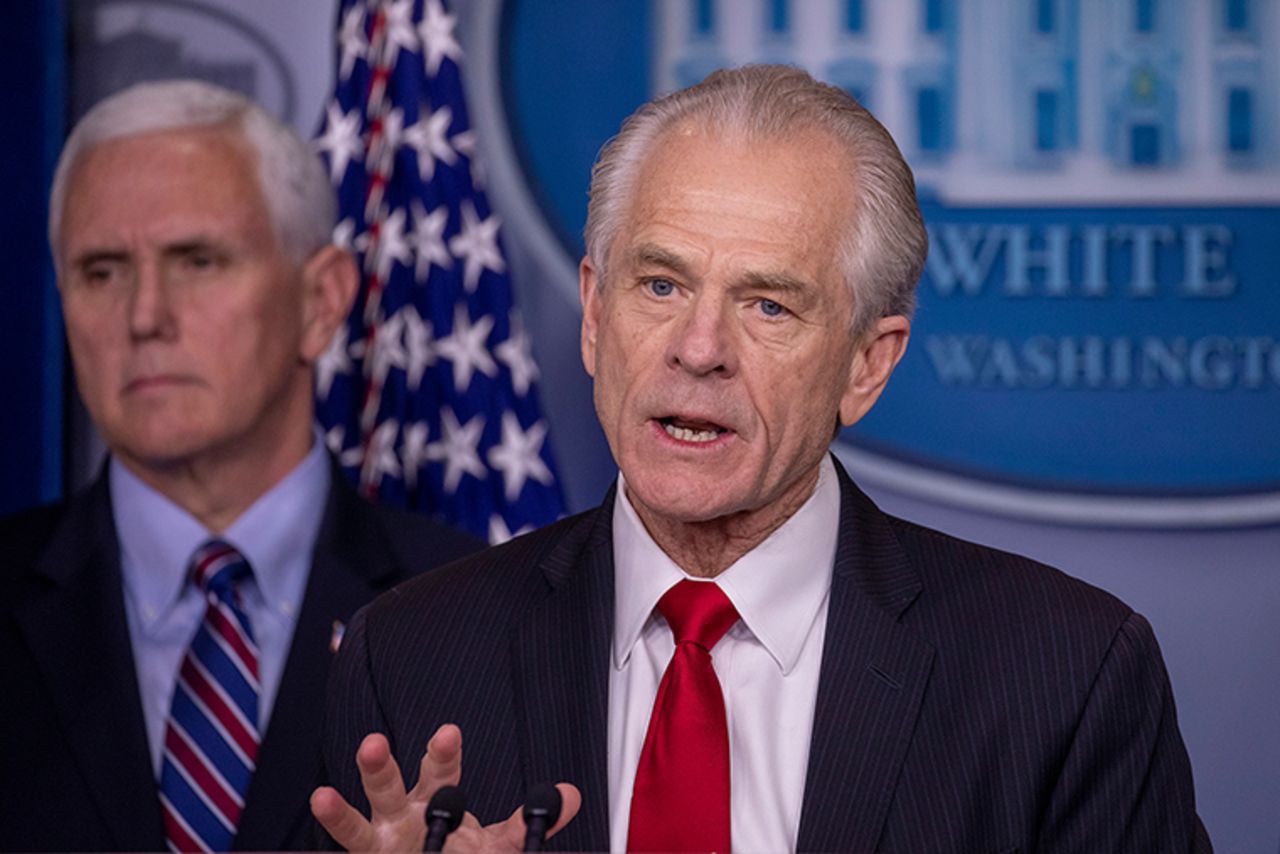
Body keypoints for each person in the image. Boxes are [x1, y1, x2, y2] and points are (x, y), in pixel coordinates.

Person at [312, 65, 1211, 853]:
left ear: (868, 364)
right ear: (593, 315)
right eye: (660, 285)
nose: (698, 348)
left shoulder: (1065, 674)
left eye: (769, 306)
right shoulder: (407, 656)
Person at [0, 80, 482, 852]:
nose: (145, 316)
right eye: (101, 271)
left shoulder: (482, 617)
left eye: (198, 260)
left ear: (321, 301)